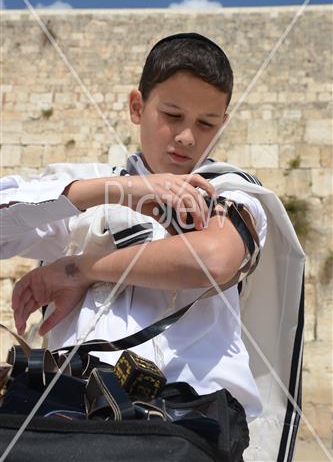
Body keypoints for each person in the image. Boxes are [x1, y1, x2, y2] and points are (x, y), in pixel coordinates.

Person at [1, 33, 304, 460]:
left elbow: (213, 259)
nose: (185, 137)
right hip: (73, 425)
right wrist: (119, 190)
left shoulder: (233, 193)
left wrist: (80, 270)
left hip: (192, 428)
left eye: (205, 124)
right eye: (172, 114)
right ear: (137, 108)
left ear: (223, 125)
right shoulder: (84, 190)